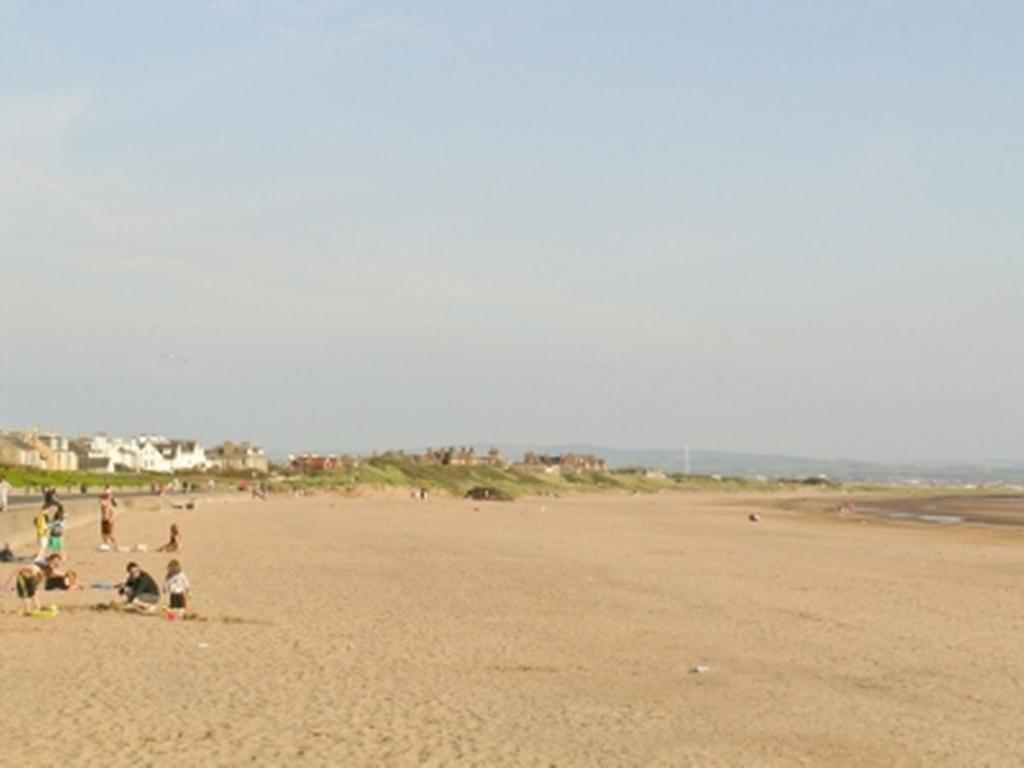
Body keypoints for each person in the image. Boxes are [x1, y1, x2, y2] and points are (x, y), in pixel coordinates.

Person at [99, 485, 117, 550]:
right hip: (104, 519)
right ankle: (106, 545)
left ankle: (114, 544)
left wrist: (111, 519)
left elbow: (112, 512)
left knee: (109, 534)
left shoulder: (109, 503)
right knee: (103, 534)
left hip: (109, 520)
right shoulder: (103, 502)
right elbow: (101, 499)